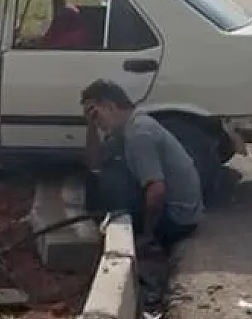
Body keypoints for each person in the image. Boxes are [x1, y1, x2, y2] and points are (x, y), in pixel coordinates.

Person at [81, 79, 203, 251]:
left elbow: (156, 190)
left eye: (96, 115)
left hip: (178, 219)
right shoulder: (128, 127)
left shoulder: (139, 133)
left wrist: (147, 236)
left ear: (110, 106)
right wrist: (91, 126)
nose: (97, 122)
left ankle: (133, 237)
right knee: (105, 173)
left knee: (112, 182)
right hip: (182, 212)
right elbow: (94, 164)